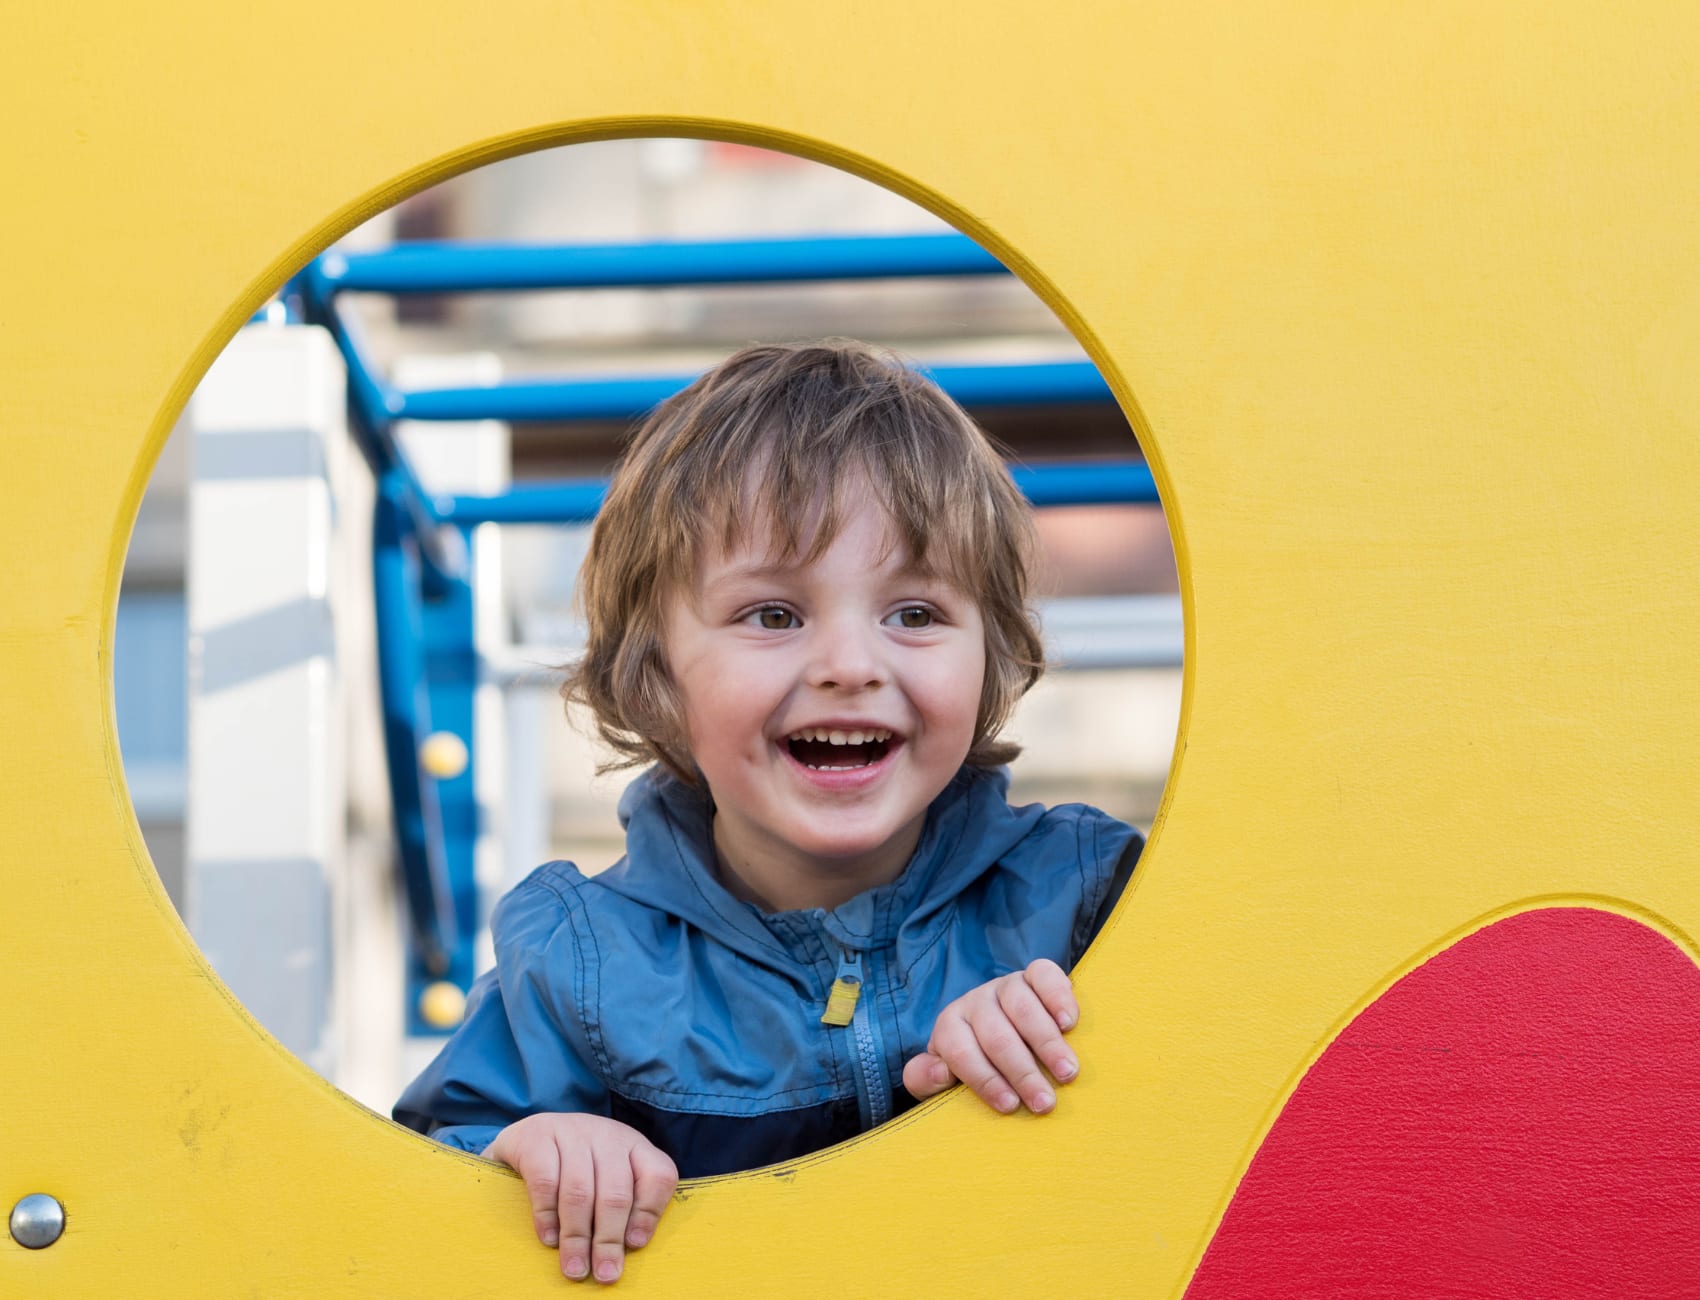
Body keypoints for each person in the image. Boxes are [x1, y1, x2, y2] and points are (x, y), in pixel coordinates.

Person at [394, 340, 1142, 1283]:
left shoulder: (1078, 900)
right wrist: (536, 1148)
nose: (850, 663)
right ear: (657, 673)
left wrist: (1075, 1035)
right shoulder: (582, 965)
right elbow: (421, 1179)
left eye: (914, 613)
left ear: (990, 653)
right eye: (774, 616)